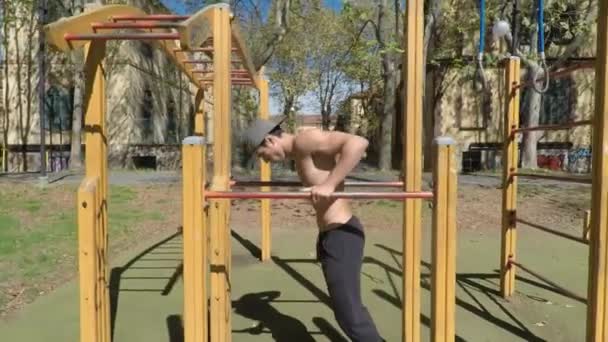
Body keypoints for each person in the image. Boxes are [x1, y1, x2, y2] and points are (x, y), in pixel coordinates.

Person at [242, 117, 383, 342]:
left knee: (349, 315)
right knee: (346, 310)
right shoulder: (299, 153)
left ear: (269, 140)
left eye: (262, 155)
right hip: (330, 234)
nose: (265, 162)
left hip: (342, 235)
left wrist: (329, 184)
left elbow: (358, 143)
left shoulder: (305, 141)